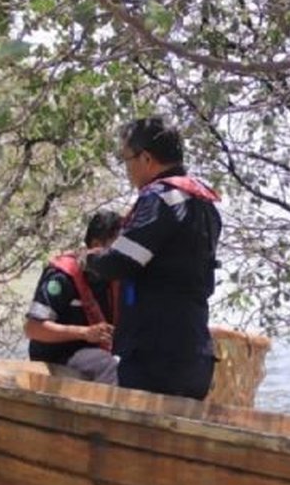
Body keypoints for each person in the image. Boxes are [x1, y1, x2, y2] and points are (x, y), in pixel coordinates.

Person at [85, 117, 222, 400]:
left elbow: (121, 262)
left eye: (127, 160)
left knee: (134, 438)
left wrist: (91, 259)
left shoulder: (160, 199)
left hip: (157, 354)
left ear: (146, 158)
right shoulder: (204, 203)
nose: (127, 170)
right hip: (194, 350)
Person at [24, 210, 122, 384]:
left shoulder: (115, 278)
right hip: (58, 354)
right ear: (97, 245)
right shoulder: (62, 276)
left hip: (98, 350)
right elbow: (33, 328)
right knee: (107, 366)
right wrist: (84, 333)